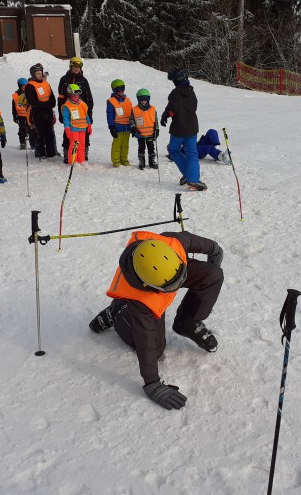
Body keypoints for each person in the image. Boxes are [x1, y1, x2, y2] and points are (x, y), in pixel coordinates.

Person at [88, 230, 224, 410]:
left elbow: (196, 241)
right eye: (172, 287)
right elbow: (145, 342)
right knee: (157, 349)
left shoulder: (172, 243)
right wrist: (152, 383)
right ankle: (118, 312)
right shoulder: (140, 301)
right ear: (149, 286)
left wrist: (215, 250)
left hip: (168, 270)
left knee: (213, 274)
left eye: (181, 279)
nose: (177, 288)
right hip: (142, 299)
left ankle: (187, 323)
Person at [161, 68, 206, 191]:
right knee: (192, 153)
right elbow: (194, 106)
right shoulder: (191, 92)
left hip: (179, 129)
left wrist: (165, 115)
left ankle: (189, 176)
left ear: (177, 80)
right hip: (191, 128)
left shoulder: (175, 93)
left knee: (174, 150)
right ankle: (193, 179)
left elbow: (173, 109)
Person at [58, 57, 94, 163]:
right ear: (70, 67)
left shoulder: (83, 80)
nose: (76, 69)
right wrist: (61, 113)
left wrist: (89, 114)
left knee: (83, 132)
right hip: (69, 109)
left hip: (82, 111)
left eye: (78, 67)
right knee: (69, 132)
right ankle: (67, 152)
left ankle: (84, 153)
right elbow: (60, 97)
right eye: (75, 67)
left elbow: (89, 98)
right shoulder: (64, 80)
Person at [23, 63, 57, 159]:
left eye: (41, 73)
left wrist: (48, 105)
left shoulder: (46, 83)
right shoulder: (30, 86)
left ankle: (51, 153)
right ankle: (40, 153)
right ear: (33, 74)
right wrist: (45, 105)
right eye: (38, 73)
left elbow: (52, 99)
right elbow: (32, 101)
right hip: (38, 113)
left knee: (50, 133)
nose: (40, 75)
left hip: (48, 112)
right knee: (40, 134)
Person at [60, 83, 92, 164]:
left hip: (83, 128)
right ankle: (73, 161)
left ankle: (81, 160)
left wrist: (89, 124)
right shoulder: (67, 106)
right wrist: (67, 129)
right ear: (70, 94)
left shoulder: (83, 104)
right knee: (74, 146)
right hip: (73, 129)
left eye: (78, 94)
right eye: (74, 94)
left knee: (82, 145)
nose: (76, 96)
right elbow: (66, 118)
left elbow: (86, 115)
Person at [106, 79, 133, 167]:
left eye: (122, 88)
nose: (121, 91)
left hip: (127, 127)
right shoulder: (111, 101)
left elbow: (132, 114)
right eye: (118, 89)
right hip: (118, 127)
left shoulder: (128, 100)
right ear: (114, 90)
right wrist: (111, 127)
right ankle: (116, 160)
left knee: (125, 145)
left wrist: (134, 125)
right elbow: (110, 114)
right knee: (117, 145)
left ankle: (124, 159)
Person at [130, 88, 158, 170]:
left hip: (150, 133)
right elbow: (131, 120)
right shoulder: (134, 109)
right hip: (140, 134)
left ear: (148, 99)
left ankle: (152, 161)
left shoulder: (152, 109)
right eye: (141, 99)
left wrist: (157, 129)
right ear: (138, 99)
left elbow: (155, 120)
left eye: (145, 99)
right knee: (141, 147)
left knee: (151, 147)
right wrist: (134, 128)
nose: (143, 101)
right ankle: (141, 161)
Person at [12, 78, 36, 150]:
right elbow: (14, 106)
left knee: (31, 130)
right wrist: (15, 116)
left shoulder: (29, 92)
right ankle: (22, 142)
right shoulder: (16, 95)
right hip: (20, 116)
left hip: (29, 115)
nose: (24, 87)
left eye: (25, 85)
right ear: (20, 86)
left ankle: (33, 144)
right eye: (23, 85)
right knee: (22, 130)